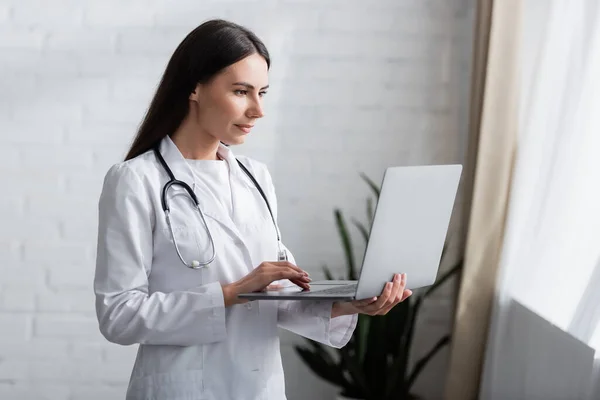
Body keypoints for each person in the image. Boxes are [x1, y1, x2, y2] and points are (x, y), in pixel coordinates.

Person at [93, 19, 413, 400]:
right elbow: (119, 317)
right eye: (241, 91)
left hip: (260, 389)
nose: (258, 109)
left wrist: (351, 304)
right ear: (194, 87)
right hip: (185, 389)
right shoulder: (135, 180)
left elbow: (275, 295)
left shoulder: (255, 177)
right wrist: (231, 293)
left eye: (262, 92)